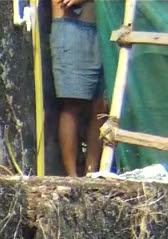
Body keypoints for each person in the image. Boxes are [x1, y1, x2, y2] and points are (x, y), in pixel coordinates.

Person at [51, 0, 109, 176]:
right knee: (73, 103)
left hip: (104, 27)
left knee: (101, 106)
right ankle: (72, 176)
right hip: (72, 28)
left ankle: (92, 171)